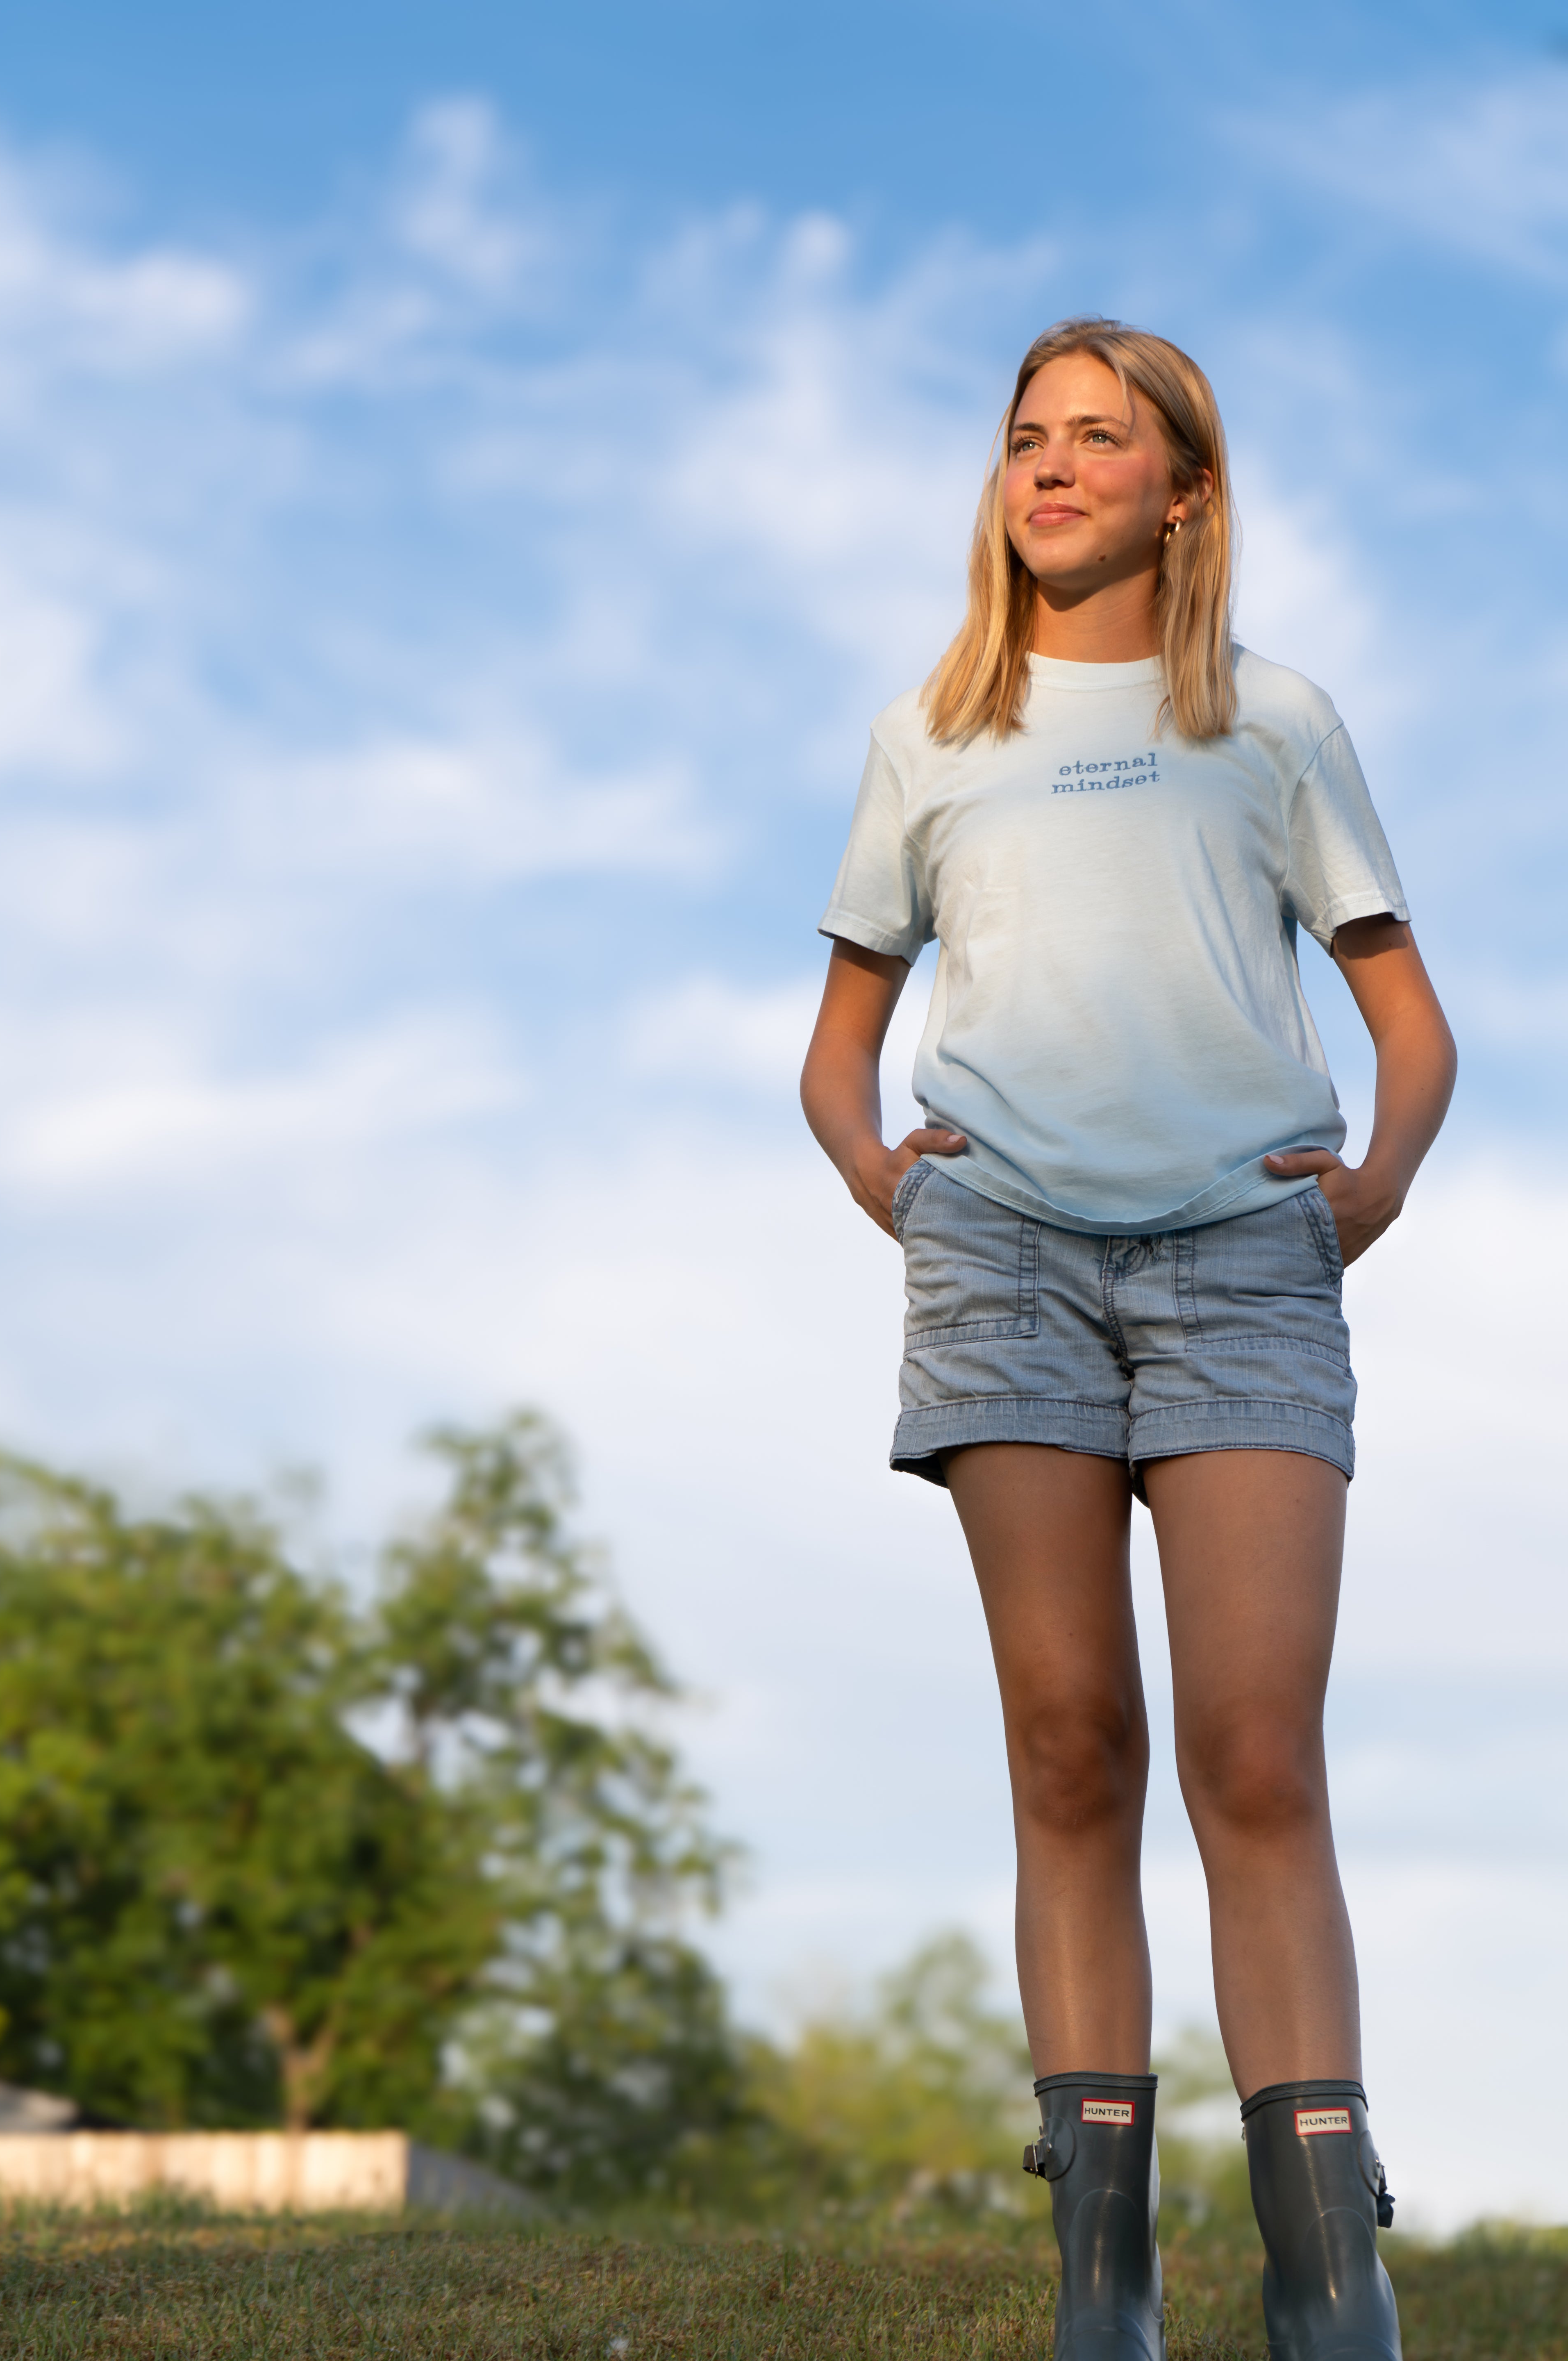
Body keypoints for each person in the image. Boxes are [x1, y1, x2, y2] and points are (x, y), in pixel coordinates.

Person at [800, 318, 1455, 2361]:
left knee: (1255, 1755)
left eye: (1100, 439)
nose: (1053, 467)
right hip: (1004, 1256)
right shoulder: (932, 729)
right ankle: (1104, 2288)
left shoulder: (1272, 724)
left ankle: (1330, 2282)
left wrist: (1374, 1188)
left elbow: (1409, 1025)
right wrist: (893, 1183)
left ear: (1187, 487)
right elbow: (837, 1054)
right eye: (1026, 438)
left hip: (1242, 1262)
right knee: (1068, 1749)